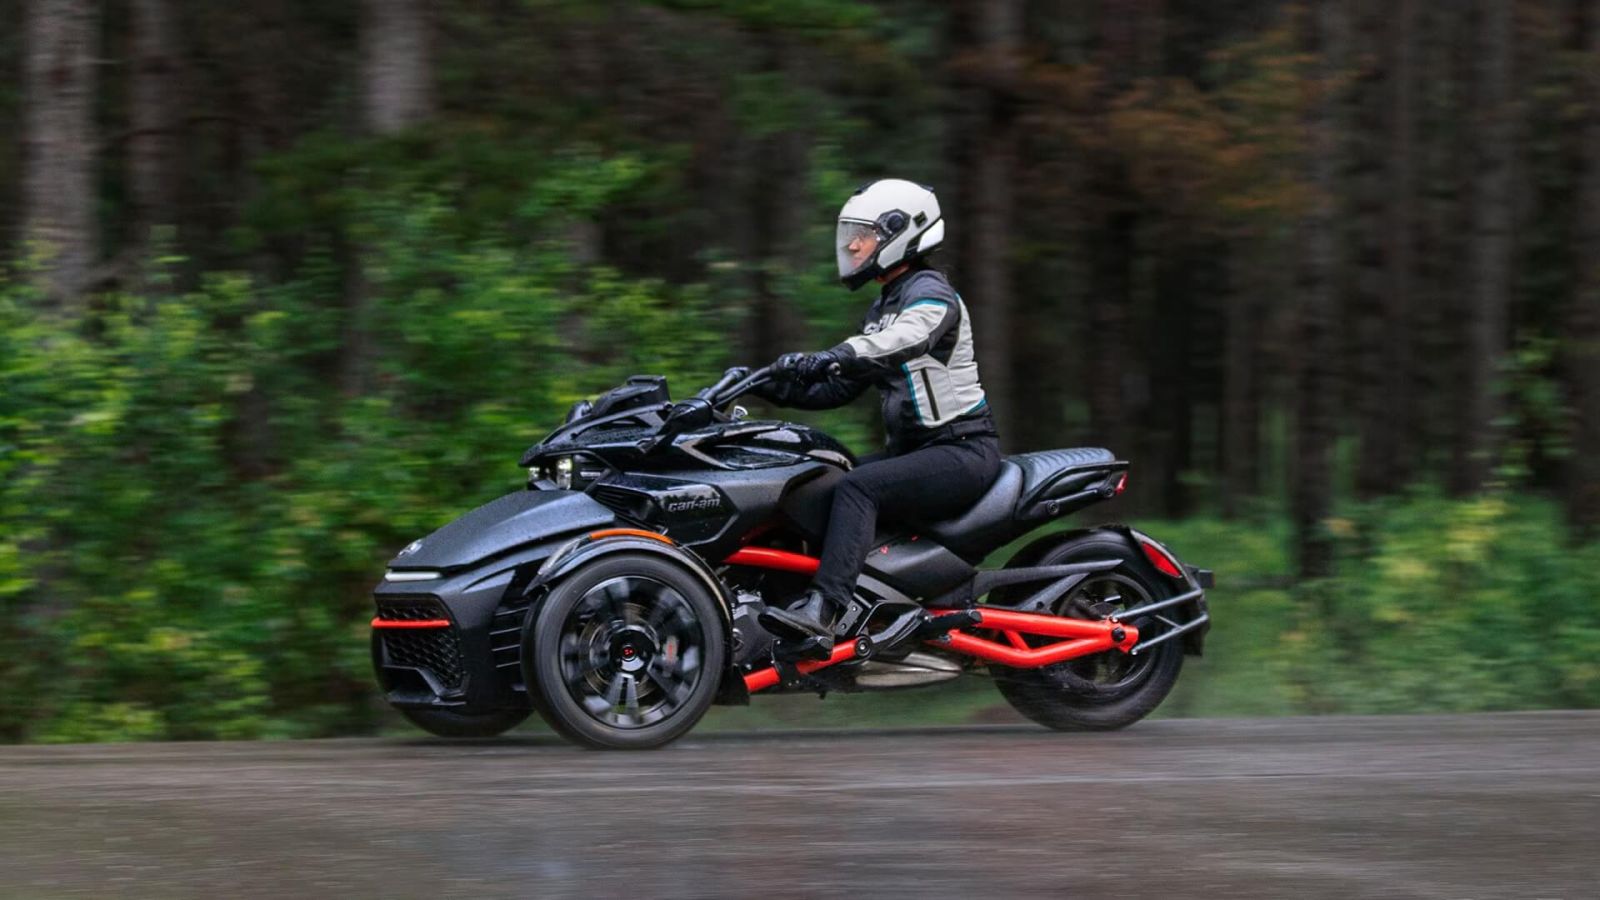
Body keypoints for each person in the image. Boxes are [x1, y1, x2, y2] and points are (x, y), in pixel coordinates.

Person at [751, 178, 1002, 650]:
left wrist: (834, 352)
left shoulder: (931, 294)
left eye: (861, 234)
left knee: (857, 486)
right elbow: (839, 389)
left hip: (961, 449)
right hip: (916, 452)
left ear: (899, 235)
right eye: (850, 233)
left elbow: (905, 340)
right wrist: (770, 383)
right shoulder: (884, 304)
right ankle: (793, 599)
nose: (850, 244)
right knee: (812, 479)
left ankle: (826, 610)